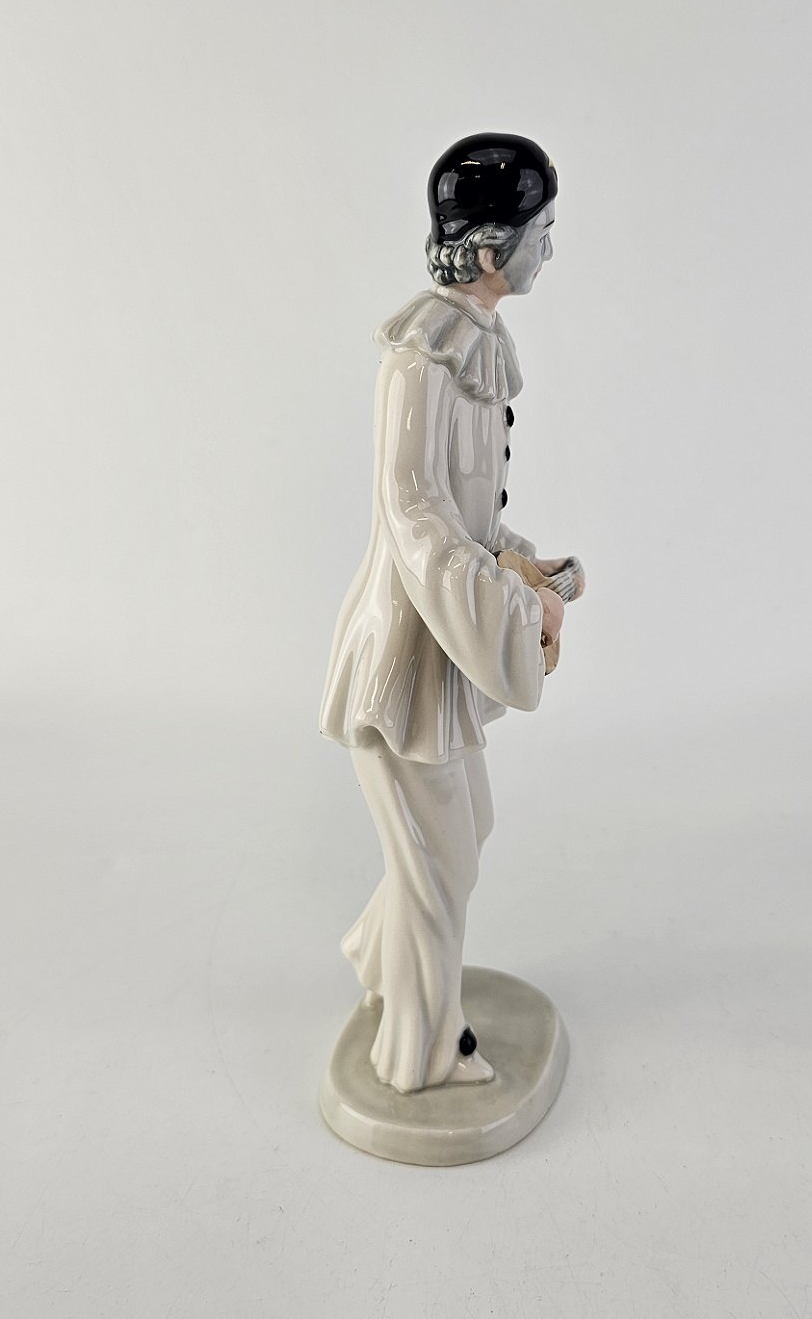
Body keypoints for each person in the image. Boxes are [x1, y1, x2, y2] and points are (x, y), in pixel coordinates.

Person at [318, 133, 585, 1093]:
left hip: (442, 642)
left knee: (462, 838)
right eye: (539, 232)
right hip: (405, 654)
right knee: (438, 870)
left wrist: (518, 560)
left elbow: (468, 517)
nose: (549, 248)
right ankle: (424, 1053)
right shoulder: (419, 361)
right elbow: (416, 519)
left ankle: (379, 958)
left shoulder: (473, 343)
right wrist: (517, 604)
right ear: (487, 250)